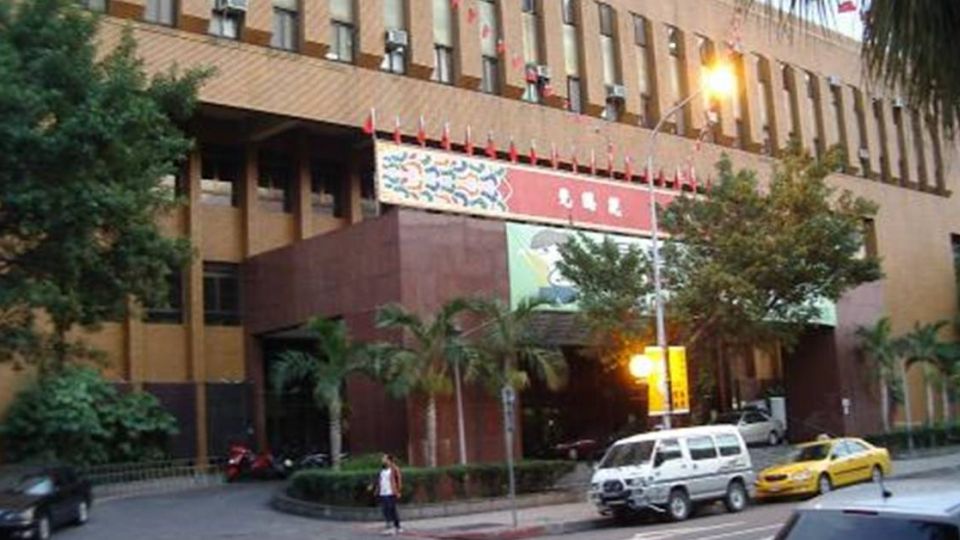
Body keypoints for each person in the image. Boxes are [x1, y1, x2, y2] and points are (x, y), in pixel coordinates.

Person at [374, 453, 403, 535]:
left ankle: (392, 528)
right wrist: (376, 490)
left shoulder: (394, 469)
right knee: (386, 510)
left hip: (391, 492)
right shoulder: (381, 470)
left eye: (384, 459)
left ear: (389, 460)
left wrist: (398, 491)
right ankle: (396, 526)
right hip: (383, 493)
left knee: (390, 509)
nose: (382, 460)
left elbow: (399, 480)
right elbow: (379, 481)